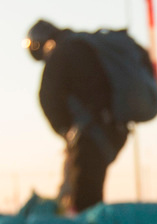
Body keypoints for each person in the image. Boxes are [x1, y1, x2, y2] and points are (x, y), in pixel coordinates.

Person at [26, 18, 123, 213]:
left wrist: (66, 131)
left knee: (84, 200)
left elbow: (48, 97)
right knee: (91, 193)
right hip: (114, 129)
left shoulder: (61, 52)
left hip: (90, 134)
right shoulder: (84, 46)